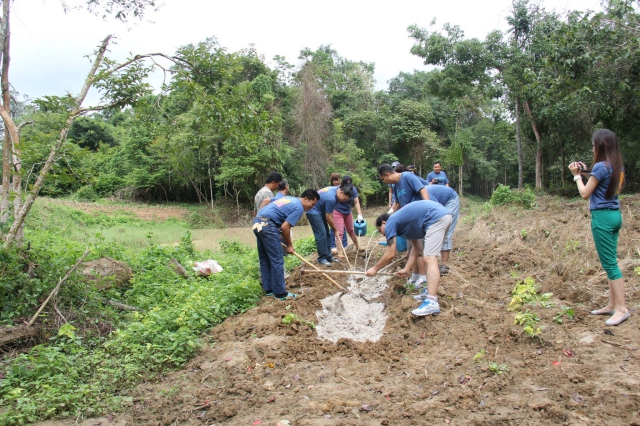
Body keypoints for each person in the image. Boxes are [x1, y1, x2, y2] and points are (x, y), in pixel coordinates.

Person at [569, 129, 629, 326]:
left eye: (594, 145)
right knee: (611, 261)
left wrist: (577, 176)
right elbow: (602, 186)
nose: (592, 148)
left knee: (610, 264)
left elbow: (585, 193)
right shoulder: (617, 166)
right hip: (615, 215)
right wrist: (586, 172)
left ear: (601, 147)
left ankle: (621, 309)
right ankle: (612, 304)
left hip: (602, 218)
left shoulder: (601, 167)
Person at [365, 200, 452, 316]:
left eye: (381, 231)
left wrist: (375, 269)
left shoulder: (391, 222)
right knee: (427, 256)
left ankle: (432, 302)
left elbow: (391, 254)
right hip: (441, 216)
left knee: (429, 258)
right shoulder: (404, 227)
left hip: (436, 218)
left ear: (384, 223)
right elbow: (416, 248)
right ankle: (428, 292)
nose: (384, 235)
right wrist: (406, 269)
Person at [253, 189, 320, 300]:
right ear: (306, 199)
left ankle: (269, 289)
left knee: (265, 258)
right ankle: (280, 294)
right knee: (277, 260)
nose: (312, 207)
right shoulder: (299, 207)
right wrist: (289, 245)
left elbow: (268, 203)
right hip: (268, 224)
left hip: (257, 222)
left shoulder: (289, 199)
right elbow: (285, 227)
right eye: (312, 204)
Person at [306, 185, 353, 266]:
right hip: (313, 211)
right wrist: (336, 230)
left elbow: (329, 215)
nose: (344, 201)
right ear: (341, 193)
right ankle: (322, 258)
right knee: (321, 234)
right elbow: (329, 217)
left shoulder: (336, 191)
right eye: (344, 199)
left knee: (327, 234)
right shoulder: (331, 198)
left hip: (321, 211)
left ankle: (328, 256)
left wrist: (334, 229)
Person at [333, 175, 365, 253]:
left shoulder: (353, 189)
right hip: (338, 212)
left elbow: (356, 202)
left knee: (350, 230)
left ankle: (357, 246)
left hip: (347, 212)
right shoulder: (337, 189)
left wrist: (359, 214)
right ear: (342, 184)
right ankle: (340, 251)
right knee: (340, 233)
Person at [328, 173, 348, 254]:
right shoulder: (330, 189)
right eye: (334, 181)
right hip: (334, 210)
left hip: (342, 211)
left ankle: (344, 245)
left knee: (343, 227)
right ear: (331, 181)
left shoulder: (342, 189)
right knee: (333, 227)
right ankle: (332, 245)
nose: (336, 182)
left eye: (337, 180)